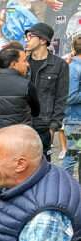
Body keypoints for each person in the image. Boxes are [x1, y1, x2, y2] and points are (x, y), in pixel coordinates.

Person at [0, 48, 40, 211]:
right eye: (24, 61)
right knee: (21, 186)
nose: (27, 64)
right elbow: (37, 111)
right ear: (13, 63)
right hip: (18, 147)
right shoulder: (25, 85)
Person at [25, 22, 69, 161]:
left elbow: (61, 98)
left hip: (43, 125)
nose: (27, 39)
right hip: (21, 123)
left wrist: (53, 128)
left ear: (43, 40)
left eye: (31, 36)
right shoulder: (22, 63)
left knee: (42, 167)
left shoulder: (59, 65)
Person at [62, 36, 81, 179]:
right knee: (72, 157)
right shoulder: (74, 68)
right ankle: (65, 193)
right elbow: (70, 97)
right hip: (76, 122)